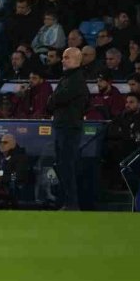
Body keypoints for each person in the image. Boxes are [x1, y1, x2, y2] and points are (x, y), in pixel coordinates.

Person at [47, 47, 90, 210]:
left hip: (69, 127)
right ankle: (68, 202)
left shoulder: (76, 79)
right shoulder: (67, 78)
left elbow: (56, 99)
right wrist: (53, 100)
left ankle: (72, 204)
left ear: (77, 60)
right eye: (63, 57)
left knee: (66, 166)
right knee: (61, 165)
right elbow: (51, 102)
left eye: (67, 57)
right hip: (62, 126)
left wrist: (53, 100)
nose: (63, 60)